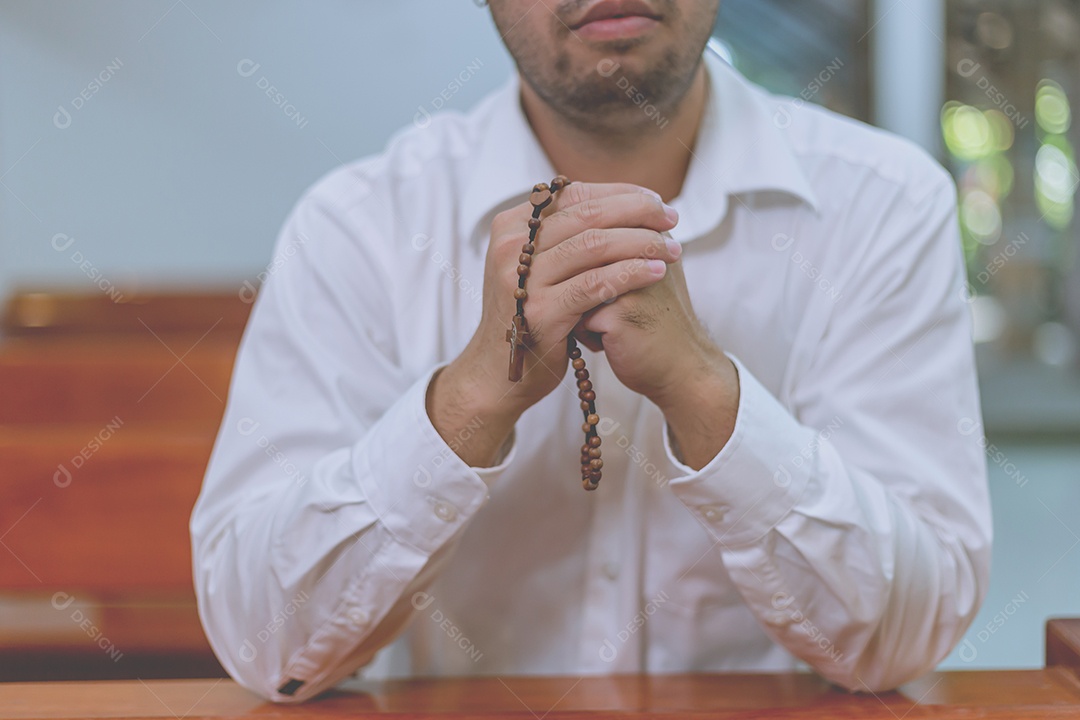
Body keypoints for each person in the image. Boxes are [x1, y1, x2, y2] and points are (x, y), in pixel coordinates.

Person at [191, 0, 992, 704]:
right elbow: (267, 650)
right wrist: (469, 401)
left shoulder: (883, 205)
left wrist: (708, 393)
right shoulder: (357, 228)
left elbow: (906, 639)